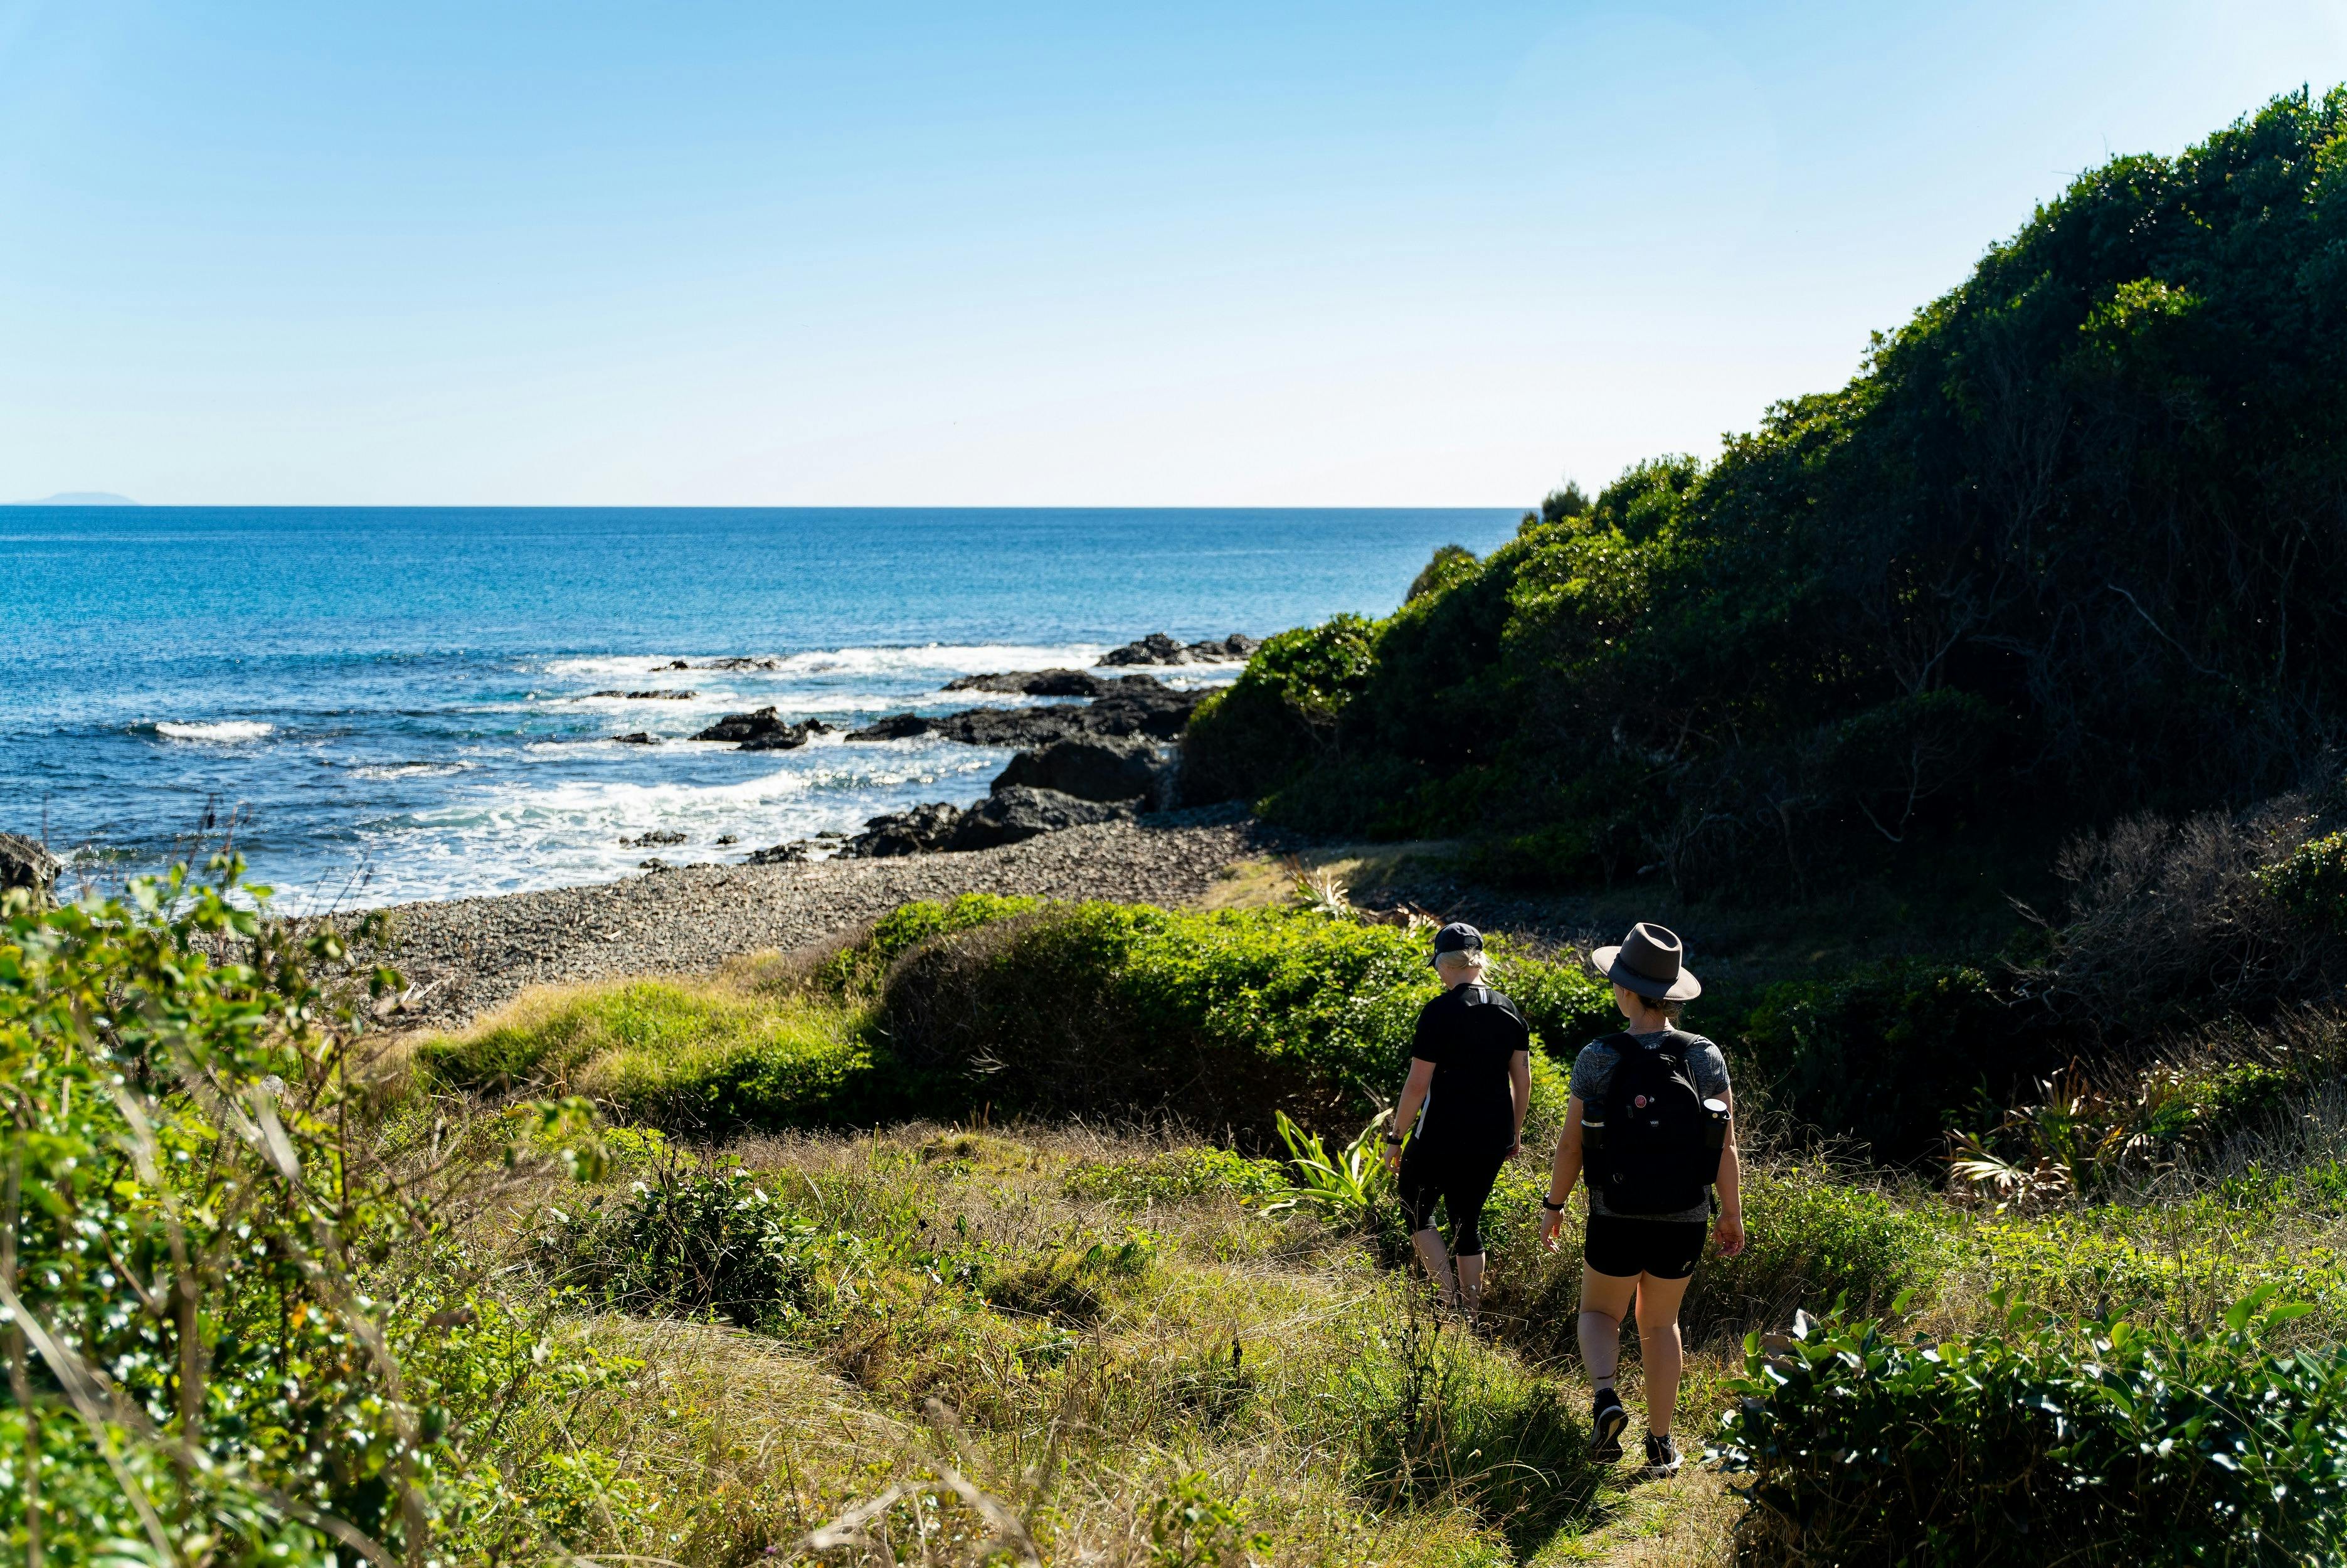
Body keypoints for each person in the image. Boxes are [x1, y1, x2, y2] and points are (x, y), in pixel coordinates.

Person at [1539, 921, 1745, 1480]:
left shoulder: (1597, 1056)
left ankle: (1606, 1399)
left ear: (1625, 990)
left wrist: (1554, 1205)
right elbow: (1724, 1142)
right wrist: (1731, 1213)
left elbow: (1572, 1144)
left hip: (1615, 1211)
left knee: (1599, 1311)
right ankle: (1660, 1446)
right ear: (1671, 993)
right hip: (1685, 1216)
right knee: (1660, 1324)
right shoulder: (1704, 1055)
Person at [1384, 922, 1533, 1324]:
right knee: (1468, 1220)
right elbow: (1523, 1078)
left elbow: (1417, 1085)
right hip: (1492, 1136)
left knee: (1414, 1206)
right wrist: (1514, 1132)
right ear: (1478, 961)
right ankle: (1470, 1315)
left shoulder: (1439, 1011)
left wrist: (1395, 1137)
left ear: (1444, 965)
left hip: (1440, 1133)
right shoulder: (1509, 1009)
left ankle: (1448, 1302)